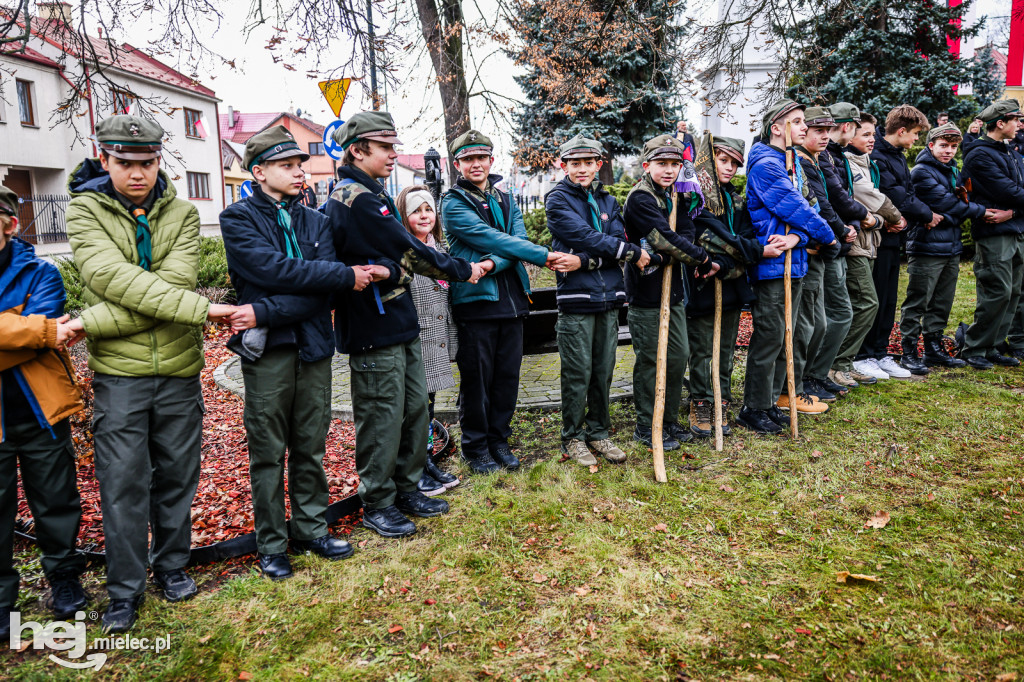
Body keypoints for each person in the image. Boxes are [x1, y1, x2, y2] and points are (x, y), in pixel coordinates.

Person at [65, 115, 235, 633]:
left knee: (177, 476)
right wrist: (196, 309)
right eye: (125, 163)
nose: (138, 173)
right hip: (120, 376)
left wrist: (89, 320)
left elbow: (175, 282)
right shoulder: (83, 209)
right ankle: (124, 589)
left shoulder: (183, 213)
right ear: (104, 158)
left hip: (180, 371)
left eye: (148, 162)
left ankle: (173, 566)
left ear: (160, 161)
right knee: (121, 484)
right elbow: (108, 276)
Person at [218, 126, 380, 580]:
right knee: (268, 451)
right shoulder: (238, 219)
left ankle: (310, 528)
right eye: (287, 166)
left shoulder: (317, 221)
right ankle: (272, 543)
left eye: (299, 166)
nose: (298, 173)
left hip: (312, 346)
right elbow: (271, 269)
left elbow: (323, 292)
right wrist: (324, 278)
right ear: (258, 171)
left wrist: (263, 309)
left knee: (309, 444)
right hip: (268, 351)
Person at [326, 112, 486, 539]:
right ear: (358, 150)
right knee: (382, 417)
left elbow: (398, 261)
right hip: (371, 326)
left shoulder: (372, 193)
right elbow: (410, 252)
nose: (394, 154)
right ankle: (378, 502)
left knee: (415, 410)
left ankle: (408, 486)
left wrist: (392, 270)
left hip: (398, 321)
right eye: (385, 147)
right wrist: (462, 269)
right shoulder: (353, 197)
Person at [441, 129, 564, 474]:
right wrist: (540, 255)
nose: (476, 164)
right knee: (478, 379)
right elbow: (493, 237)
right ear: (458, 164)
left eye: (481, 157)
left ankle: (499, 441)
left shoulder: (507, 198)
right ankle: (475, 447)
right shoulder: (452, 203)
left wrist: (493, 263)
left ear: (491, 160)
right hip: (476, 303)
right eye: (468, 159)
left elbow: (515, 242)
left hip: (512, 302)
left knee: (507, 377)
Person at [0, 186, 86, 642]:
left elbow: (48, 328)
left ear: (8, 224)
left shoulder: (41, 272)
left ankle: (64, 578)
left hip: (40, 411)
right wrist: (35, 331)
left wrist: (33, 332)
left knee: (56, 500)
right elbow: (44, 332)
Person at [737, 100, 837, 434]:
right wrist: (828, 236)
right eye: (796, 122)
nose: (804, 128)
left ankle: (771, 401)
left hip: (793, 259)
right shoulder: (766, 164)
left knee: (786, 335)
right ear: (777, 128)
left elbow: (806, 207)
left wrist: (796, 238)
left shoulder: (790, 162)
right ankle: (753, 406)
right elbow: (796, 208)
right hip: (772, 264)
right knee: (770, 335)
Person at [545, 135, 645, 466]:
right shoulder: (556, 200)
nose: (583, 168)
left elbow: (613, 241)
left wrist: (584, 261)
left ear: (599, 165)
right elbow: (585, 237)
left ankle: (598, 432)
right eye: (575, 163)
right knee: (578, 372)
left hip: (609, 300)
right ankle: (573, 437)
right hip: (576, 301)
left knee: (602, 370)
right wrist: (626, 253)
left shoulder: (609, 201)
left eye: (589, 162)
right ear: (564, 166)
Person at [623, 134, 718, 449]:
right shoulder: (641, 198)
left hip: (674, 292)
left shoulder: (676, 196)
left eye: (675, 164)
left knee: (677, 357)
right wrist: (700, 257)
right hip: (647, 295)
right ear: (647, 165)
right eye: (661, 164)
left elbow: (686, 231)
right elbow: (664, 239)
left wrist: (677, 251)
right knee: (652, 360)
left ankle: (668, 422)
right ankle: (646, 425)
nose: (668, 170)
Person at [686, 135, 776, 437]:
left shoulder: (737, 201)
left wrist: (730, 256)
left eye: (735, 164)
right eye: (723, 161)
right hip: (701, 287)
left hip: (733, 286)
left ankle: (721, 399)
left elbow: (747, 244)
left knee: (725, 349)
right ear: (708, 161)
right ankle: (701, 402)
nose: (729, 169)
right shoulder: (691, 199)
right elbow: (701, 240)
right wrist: (741, 249)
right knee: (702, 350)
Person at [899, 123, 986, 371]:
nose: (948, 151)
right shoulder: (922, 172)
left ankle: (934, 348)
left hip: (951, 246)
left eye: (953, 146)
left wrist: (947, 216)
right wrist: (950, 214)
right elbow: (950, 204)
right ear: (930, 146)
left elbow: (954, 209)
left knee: (942, 301)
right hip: (926, 247)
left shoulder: (952, 170)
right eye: (943, 146)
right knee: (918, 300)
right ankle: (908, 350)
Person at [859, 104, 935, 381]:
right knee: (875, 297)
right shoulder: (878, 154)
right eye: (915, 133)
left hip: (894, 237)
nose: (916, 139)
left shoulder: (897, 155)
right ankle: (865, 353)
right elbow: (893, 195)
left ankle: (879, 351)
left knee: (889, 298)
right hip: (880, 236)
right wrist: (924, 214)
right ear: (901, 130)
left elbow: (908, 190)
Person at [396, 184, 462, 493]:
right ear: (403, 216)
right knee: (415, 406)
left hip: (438, 336)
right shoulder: (403, 252)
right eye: (416, 211)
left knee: (429, 405)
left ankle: (426, 460)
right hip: (416, 338)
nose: (424, 216)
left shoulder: (440, 249)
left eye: (428, 210)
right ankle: (415, 465)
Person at [793, 106, 857, 403]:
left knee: (827, 317)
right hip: (817, 246)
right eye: (817, 130)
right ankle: (807, 378)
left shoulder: (820, 159)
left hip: (828, 245)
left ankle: (814, 375)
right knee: (817, 320)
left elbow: (841, 197)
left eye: (826, 130)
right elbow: (817, 205)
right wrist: (839, 232)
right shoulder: (799, 162)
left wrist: (848, 226)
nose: (824, 136)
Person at [839, 113, 905, 386]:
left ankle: (852, 359)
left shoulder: (866, 162)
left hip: (871, 242)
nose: (872, 139)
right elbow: (869, 196)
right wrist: (894, 217)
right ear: (849, 132)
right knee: (866, 302)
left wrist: (879, 219)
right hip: (856, 243)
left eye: (873, 134)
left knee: (875, 302)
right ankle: (845, 360)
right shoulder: (847, 162)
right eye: (865, 134)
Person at [957, 100, 1024, 369]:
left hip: (1015, 229)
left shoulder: (1011, 153)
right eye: (1016, 119)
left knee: (1013, 292)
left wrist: (1014, 214)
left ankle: (994, 345)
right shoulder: (980, 154)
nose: (1020, 125)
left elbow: (1016, 198)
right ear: (1000, 123)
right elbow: (1008, 192)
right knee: (997, 291)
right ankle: (974, 347)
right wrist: (1013, 209)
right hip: (993, 233)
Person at [817, 102, 874, 393]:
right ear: (847, 126)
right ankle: (828, 368)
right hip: (834, 241)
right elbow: (833, 198)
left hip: (843, 238)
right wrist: (858, 219)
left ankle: (833, 367)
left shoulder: (837, 154)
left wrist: (853, 219)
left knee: (844, 308)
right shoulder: (825, 155)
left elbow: (843, 196)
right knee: (842, 309)